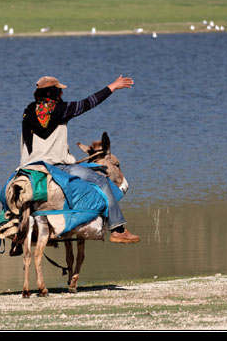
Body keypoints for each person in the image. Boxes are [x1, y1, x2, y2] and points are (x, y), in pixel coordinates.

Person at [19, 75, 140, 244]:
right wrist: (112, 86)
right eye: (60, 91)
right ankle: (118, 229)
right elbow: (89, 103)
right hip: (56, 166)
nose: (62, 94)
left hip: (28, 167)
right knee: (102, 181)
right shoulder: (60, 109)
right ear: (56, 93)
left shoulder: (28, 111)